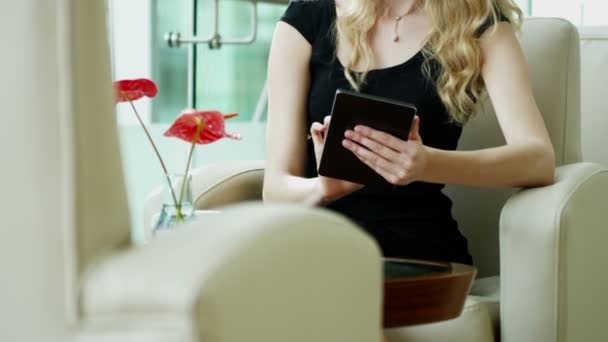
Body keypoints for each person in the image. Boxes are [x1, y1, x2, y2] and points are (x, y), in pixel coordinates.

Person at [263, 0, 554, 266]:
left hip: (417, 253)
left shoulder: (478, 20)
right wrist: (321, 190)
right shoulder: (306, 17)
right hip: (318, 252)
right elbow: (275, 190)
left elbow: (538, 159)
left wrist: (427, 164)